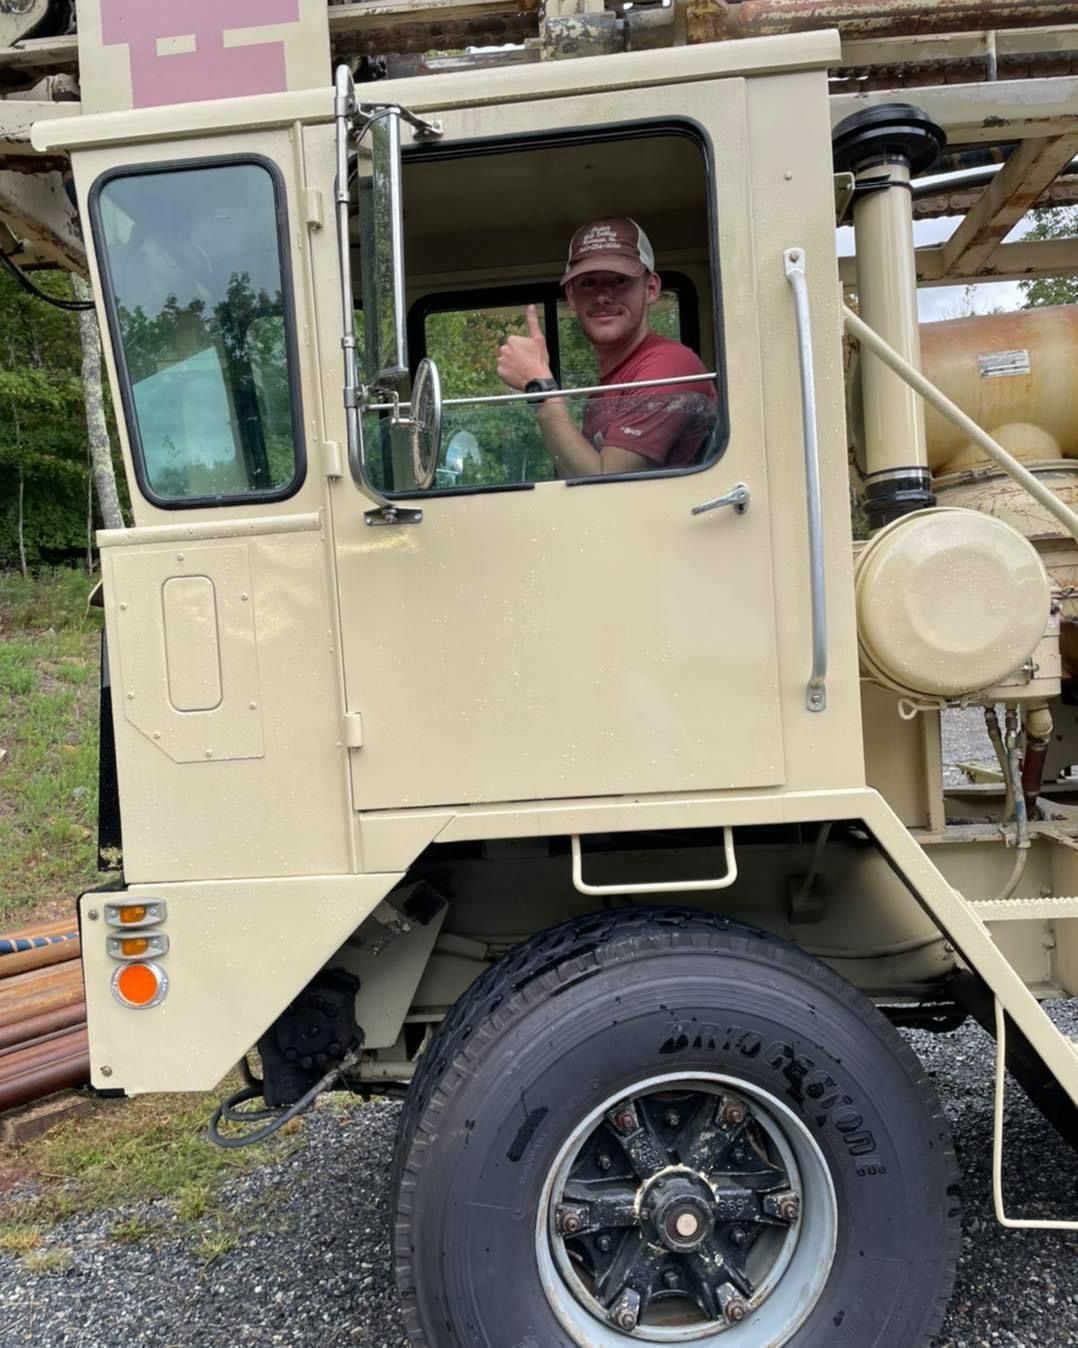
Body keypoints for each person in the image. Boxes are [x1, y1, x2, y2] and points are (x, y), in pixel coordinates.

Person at [496, 218, 718, 476]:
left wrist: (538, 384)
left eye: (620, 280)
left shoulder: (671, 364)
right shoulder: (607, 390)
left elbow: (605, 485)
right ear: (571, 295)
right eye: (588, 283)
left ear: (651, 288)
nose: (602, 296)